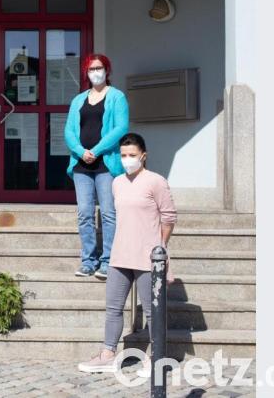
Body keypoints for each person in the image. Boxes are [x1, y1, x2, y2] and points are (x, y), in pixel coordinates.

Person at [77, 132, 177, 374]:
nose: (127, 159)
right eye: (123, 155)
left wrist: (160, 246)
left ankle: (156, 358)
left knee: (153, 311)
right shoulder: (117, 182)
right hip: (120, 255)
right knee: (113, 308)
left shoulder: (156, 181)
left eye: (132, 155)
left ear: (143, 155)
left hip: (147, 256)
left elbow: (169, 216)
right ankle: (107, 354)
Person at [64, 53, 129, 280]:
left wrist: (97, 150)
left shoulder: (117, 97)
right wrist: (82, 152)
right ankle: (88, 261)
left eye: (99, 68)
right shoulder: (78, 100)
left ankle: (108, 260)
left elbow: (120, 128)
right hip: (81, 164)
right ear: (86, 72)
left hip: (106, 163)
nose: (95, 72)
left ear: (107, 70)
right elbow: (69, 131)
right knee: (84, 213)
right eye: (91, 69)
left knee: (109, 213)